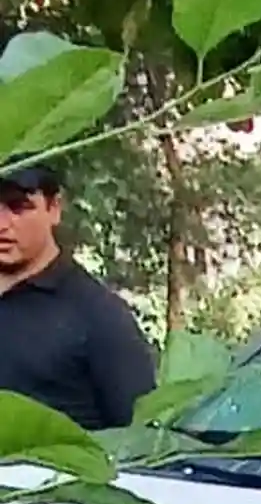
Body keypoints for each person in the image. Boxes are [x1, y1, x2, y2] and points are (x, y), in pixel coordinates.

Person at [0, 161, 157, 430]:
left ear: (54, 208)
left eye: (18, 207)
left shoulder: (99, 317)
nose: (2, 224)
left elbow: (138, 439)